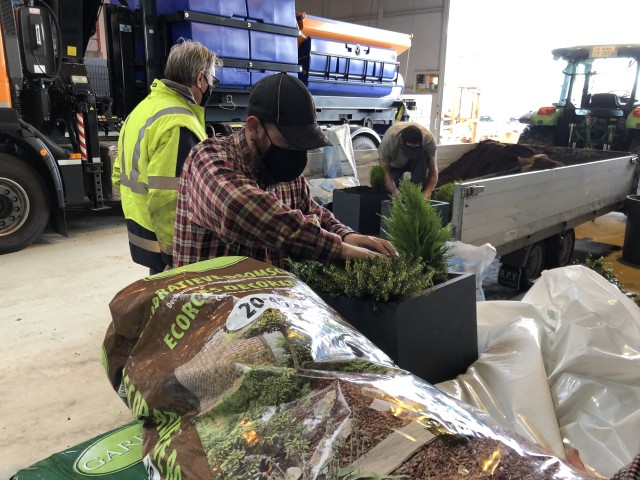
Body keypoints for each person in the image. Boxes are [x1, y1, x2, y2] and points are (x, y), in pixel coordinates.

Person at [172, 72, 395, 269]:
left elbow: (311, 210)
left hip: (267, 306)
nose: (297, 153)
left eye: (302, 144)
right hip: (207, 308)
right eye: (290, 141)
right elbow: (245, 211)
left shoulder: (286, 172)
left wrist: (347, 235)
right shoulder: (208, 159)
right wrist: (339, 249)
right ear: (254, 127)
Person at [113, 40, 222, 275]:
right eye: (213, 79)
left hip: (139, 222)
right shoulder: (178, 123)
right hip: (165, 239)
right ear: (200, 79)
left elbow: (117, 173)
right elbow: (168, 198)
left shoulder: (143, 109)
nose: (212, 85)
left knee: (159, 292)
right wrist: (175, 254)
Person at [378, 121, 438, 200]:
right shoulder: (390, 141)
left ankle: (415, 193)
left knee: (423, 158)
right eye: (410, 147)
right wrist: (394, 191)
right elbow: (384, 169)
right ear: (402, 142)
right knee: (388, 192)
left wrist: (426, 194)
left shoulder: (429, 140)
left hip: (416, 161)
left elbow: (433, 171)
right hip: (394, 164)